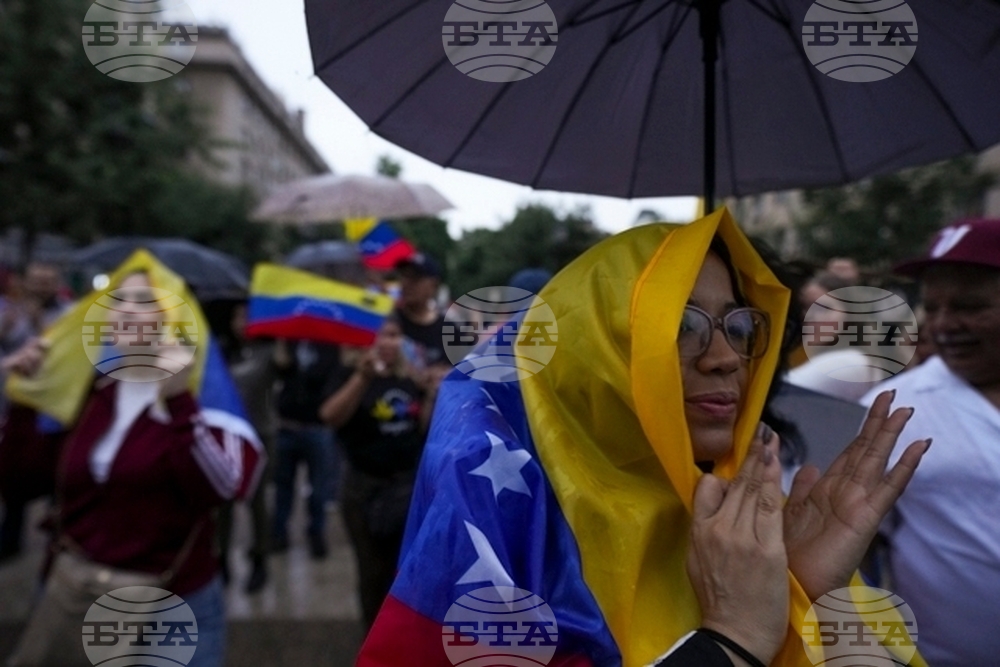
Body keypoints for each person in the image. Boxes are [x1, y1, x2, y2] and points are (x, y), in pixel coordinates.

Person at [356, 210, 929, 667]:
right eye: (680, 326)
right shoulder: (507, 537)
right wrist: (729, 641)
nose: (727, 358)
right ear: (594, 357)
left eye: (740, 326)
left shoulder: (752, 524)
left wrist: (809, 595)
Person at [2, 256, 263, 667]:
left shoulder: (200, 396)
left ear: (172, 318)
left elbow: (222, 488)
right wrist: (25, 400)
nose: (124, 311)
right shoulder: (89, 394)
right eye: (117, 300)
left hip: (169, 603)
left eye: (142, 302)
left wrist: (179, 403)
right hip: (77, 593)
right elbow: (20, 482)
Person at [859, 218, 1000, 667]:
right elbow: (851, 543)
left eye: (969, 306)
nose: (943, 325)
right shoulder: (889, 410)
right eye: (932, 307)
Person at [319, 315, 439, 629]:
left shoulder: (410, 375)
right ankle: (373, 638)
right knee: (372, 573)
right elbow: (330, 416)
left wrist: (430, 395)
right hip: (364, 490)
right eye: (380, 335)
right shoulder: (350, 373)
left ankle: (400, 636)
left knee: (405, 571)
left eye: (394, 335)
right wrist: (362, 378)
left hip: (406, 489)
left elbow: (421, 429)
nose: (387, 342)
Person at [0, 261, 73, 562]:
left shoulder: (70, 314)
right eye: (36, 280)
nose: (42, 286)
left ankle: (58, 537)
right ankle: (11, 536)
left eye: (48, 281)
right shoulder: (8, 311)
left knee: (57, 473)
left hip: (52, 408)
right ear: (25, 281)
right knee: (12, 475)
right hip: (16, 408)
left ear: (57, 284)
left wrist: (42, 325)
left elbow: (69, 354)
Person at [217, 302, 277, 593]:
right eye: (237, 317)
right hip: (227, 436)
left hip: (260, 435)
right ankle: (222, 561)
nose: (242, 323)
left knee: (257, 502)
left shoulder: (270, 351)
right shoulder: (222, 352)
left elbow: (285, 366)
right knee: (222, 502)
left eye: (247, 317)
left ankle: (259, 560)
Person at [270, 338, 341, 558]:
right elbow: (279, 373)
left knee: (319, 488)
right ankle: (279, 532)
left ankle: (316, 532)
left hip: (317, 426)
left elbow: (327, 378)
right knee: (283, 486)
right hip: (287, 424)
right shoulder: (289, 342)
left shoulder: (330, 346)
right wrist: (282, 348)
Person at [393, 253, 449, 369]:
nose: (406, 283)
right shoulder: (388, 321)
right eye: (404, 276)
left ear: (433, 285)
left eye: (415, 278)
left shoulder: (448, 331)